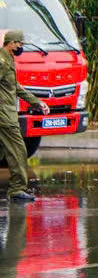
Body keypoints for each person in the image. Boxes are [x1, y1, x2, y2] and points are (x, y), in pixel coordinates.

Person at [0, 31, 48, 203]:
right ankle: (17, 190)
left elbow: (16, 87)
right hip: (4, 115)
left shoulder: (7, 59)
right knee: (18, 150)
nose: (21, 47)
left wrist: (37, 102)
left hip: (6, 113)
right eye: (19, 44)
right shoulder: (2, 61)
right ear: (11, 43)